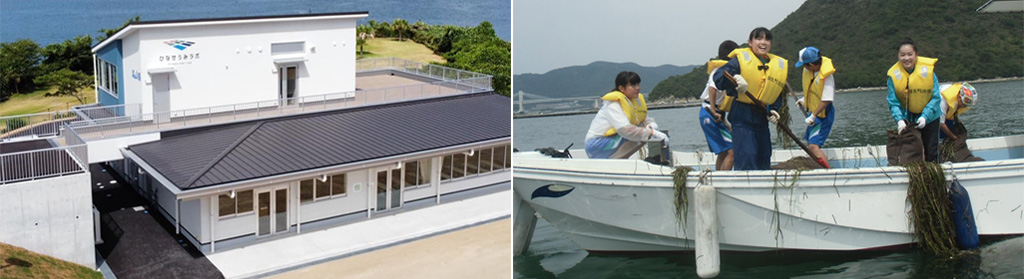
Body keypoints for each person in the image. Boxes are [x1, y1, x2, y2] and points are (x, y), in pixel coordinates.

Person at [712, 27, 788, 170]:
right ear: (750, 42)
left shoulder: (775, 65)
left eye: (767, 39)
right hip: (742, 117)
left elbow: (775, 91)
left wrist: (774, 110)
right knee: (747, 156)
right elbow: (719, 77)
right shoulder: (739, 61)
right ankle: (746, 187)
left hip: (761, 117)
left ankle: (763, 188)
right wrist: (735, 78)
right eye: (758, 38)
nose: (763, 42)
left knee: (763, 156)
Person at [585, 71, 667, 159]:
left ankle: (621, 159)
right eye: (633, 85)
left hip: (612, 140)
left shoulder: (634, 101)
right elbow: (624, 130)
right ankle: (616, 161)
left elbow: (644, 119)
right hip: (596, 145)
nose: (637, 88)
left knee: (644, 131)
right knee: (641, 133)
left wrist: (651, 125)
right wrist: (651, 133)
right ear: (621, 88)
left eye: (638, 84)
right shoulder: (613, 104)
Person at [886, 38, 943, 163]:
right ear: (898, 56)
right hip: (908, 120)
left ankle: (932, 177)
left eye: (910, 54)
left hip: (930, 117)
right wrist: (899, 120)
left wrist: (925, 116)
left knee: (931, 153)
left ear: (916, 55)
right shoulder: (893, 77)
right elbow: (893, 101)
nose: (906, 58)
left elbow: (936, 97)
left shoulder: (929, 73)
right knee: (911, 153)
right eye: (903, 55)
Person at [699, 40, 738, 170]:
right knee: (732, 151)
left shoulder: (725, 70)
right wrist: (714, 112)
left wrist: (725, 122)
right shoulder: (720, 71)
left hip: (713, 113)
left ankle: (717, 177)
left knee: (723, 151)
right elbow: (712, 89)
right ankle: (724, 180)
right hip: (709, 112)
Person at [794, 46, 835, 168]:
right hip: (815, 114)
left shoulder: (826, 76)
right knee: (810, 143)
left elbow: (826, 99)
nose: (804, 68)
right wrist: (803, 101)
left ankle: (828, 172)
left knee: (813, 146)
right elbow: (813, 93)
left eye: (804, 65)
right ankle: (820, 168)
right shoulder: (812, 73)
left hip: (823, 115)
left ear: (811, 64)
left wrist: (813, 115)